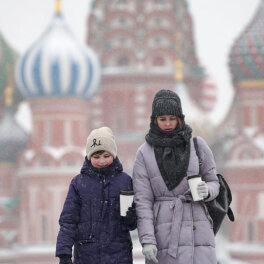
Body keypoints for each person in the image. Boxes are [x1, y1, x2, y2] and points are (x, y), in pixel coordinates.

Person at [132, 89, 220, 264]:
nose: (168, 124)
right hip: (164, 233)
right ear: (154, 120)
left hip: (198, 230)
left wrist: (207, 190)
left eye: (172, 118)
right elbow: (143, 202)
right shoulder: (144, 153)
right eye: (162, 119)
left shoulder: (197, 145)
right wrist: (147, 240)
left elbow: (214, 182)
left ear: (180, 118)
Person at [56, 127, 137, 264]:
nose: (101, 161)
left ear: (114, 155)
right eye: (96, 157)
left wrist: (131, 216)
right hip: (87, 256)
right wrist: (64, 253)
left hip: (119, 255)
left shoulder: (125, 181)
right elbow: (68, 221)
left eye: (106, 156)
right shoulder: (79, 183)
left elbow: (133, 224)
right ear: (89, 157)